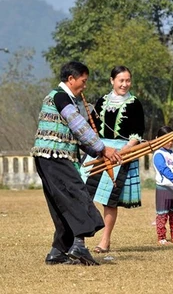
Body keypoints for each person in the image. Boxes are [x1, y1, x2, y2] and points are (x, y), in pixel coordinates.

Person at [31, 61, 122, 266]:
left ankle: (58, 250)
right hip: (56, 157)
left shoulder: (61, 98)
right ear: (71, 79)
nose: (85, 86)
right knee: (77, 196)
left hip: (48, 158)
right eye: (83, 80)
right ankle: (78, 246)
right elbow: (79, 126)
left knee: (61, 202)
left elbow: (75, 136)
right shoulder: (61, 97)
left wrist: (97, 152)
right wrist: (103, 148)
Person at [81, 66, 145, 254]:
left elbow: (137, 133)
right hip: (99, 151)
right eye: (121, 80)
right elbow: (90, 128)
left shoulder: (135, 104)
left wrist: (125, 150)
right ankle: (80, 236)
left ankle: (105, 240)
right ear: (112, 81)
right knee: (83, 193)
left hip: (121, 154)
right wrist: (97, 146)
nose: (125, 84)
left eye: (128, 80)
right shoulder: (101, 101)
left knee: (110, 200)